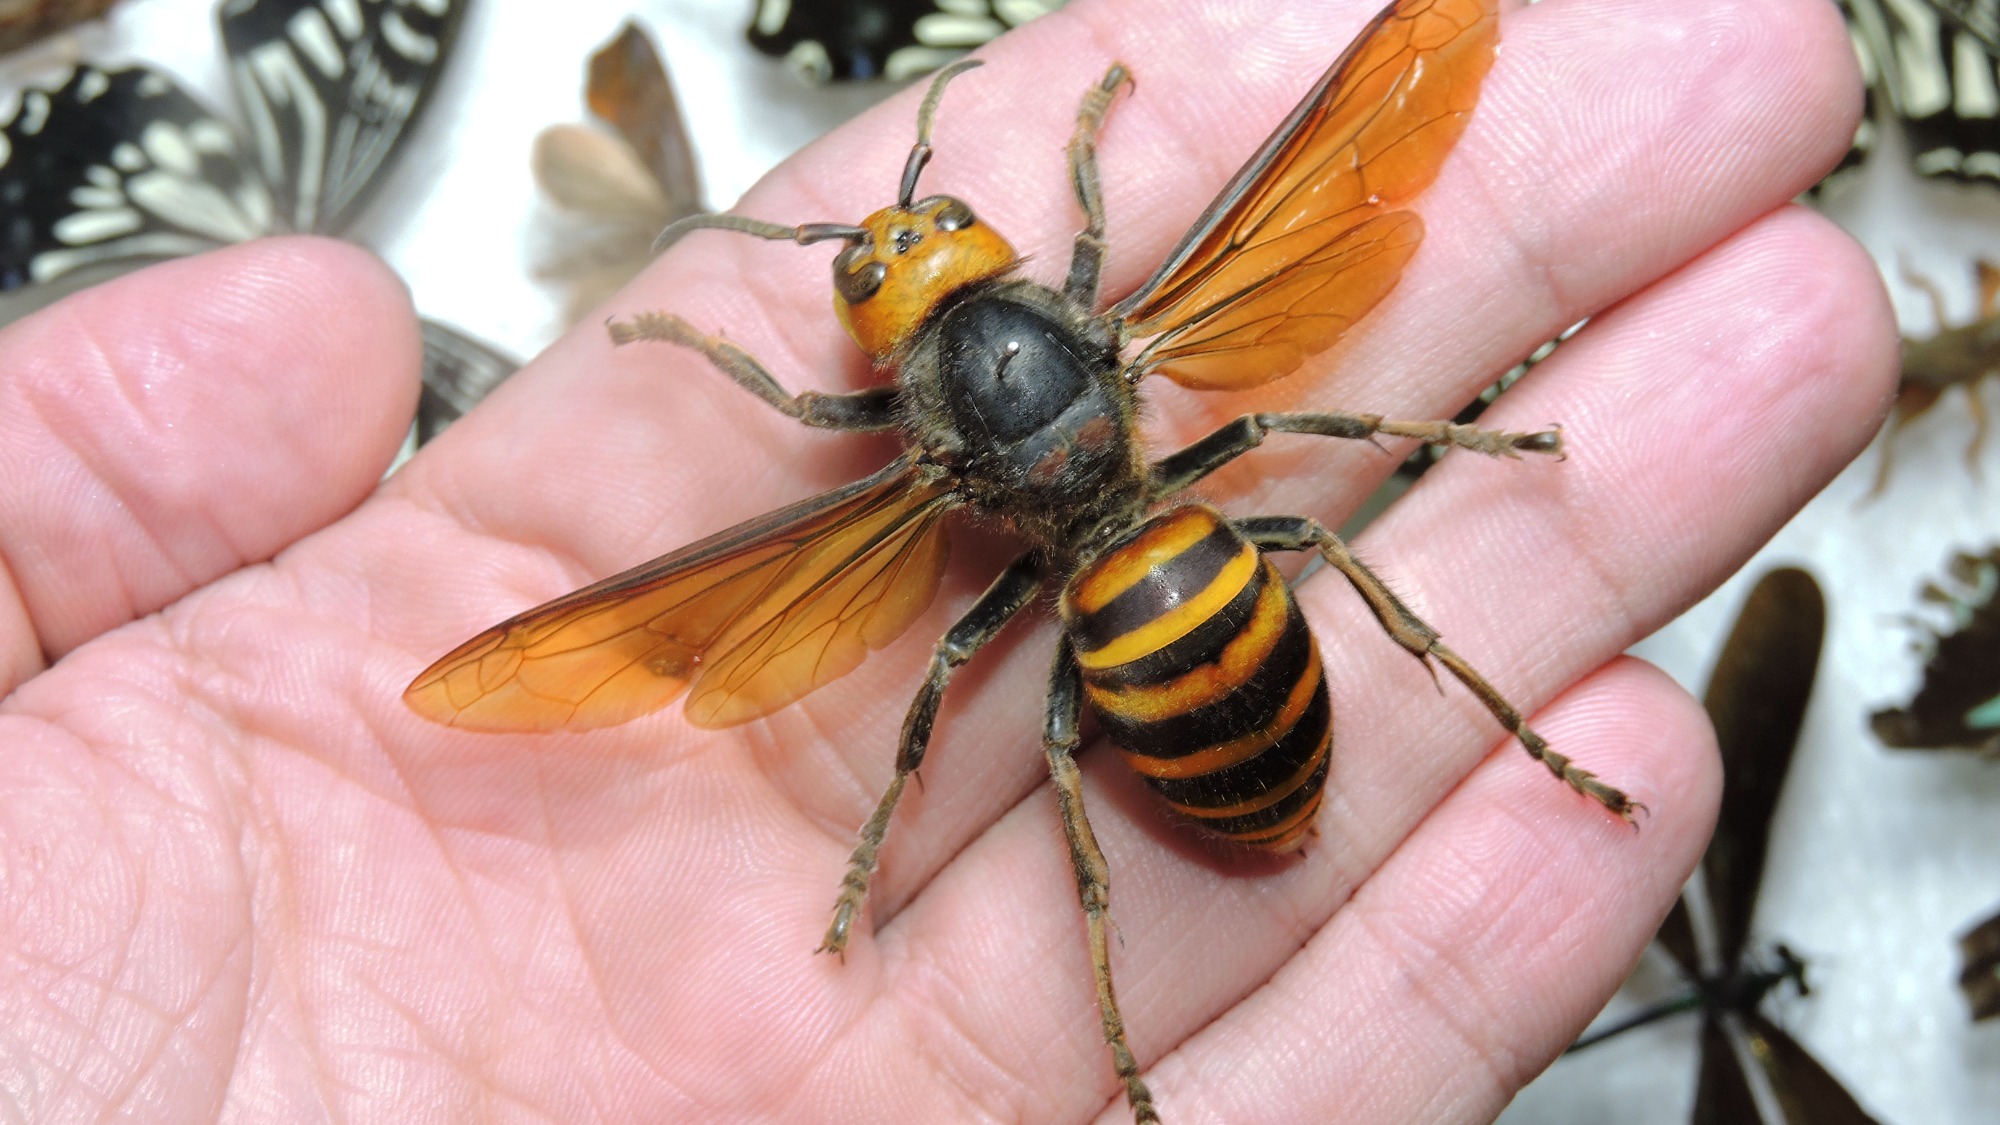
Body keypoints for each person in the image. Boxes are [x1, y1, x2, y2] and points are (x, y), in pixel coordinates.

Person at [0, 0, 1890, 1119]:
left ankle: (1112, 991)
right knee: (1309, 504)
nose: (904, 248)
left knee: (1034, 722)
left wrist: (687, 339)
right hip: (1189, 584)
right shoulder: (1113, 326)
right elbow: (1167, 288)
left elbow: (817, 468)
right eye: (877, 259)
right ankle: (1510, 699)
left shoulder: (905, 463)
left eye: (899, 244)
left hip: (1143, 637)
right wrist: (1461, 427)